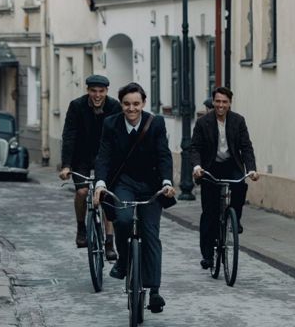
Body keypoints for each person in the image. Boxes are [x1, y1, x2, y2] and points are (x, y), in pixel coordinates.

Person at [93, 82, 176, 314]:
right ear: (121, 104)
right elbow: (104, 156)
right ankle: (123, 260)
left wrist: (167, 182)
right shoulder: (111, 124)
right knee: (123, 220)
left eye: (136, 104)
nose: (132, 109)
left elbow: (163, 155)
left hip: (151, 184)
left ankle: (154, 290)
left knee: (150, 234)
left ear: (143, 103)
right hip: (124, 183)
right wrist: (100, 184)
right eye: (127, 104)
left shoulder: (156, 123)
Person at [190, 86, 259, 270]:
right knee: (209, 213)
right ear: (213, 102)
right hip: (210, 167)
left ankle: (234, 218)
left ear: (230, 103)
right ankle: (207, 255)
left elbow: (246, 147)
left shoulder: (238, 121)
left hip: (231, 164)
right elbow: (195, 147)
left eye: (224, 102)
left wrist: (252, 169)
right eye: (218, 101)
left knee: (240, 185)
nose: (221, 105)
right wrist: (197, 167)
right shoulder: (203, 122)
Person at [59, 74, 120, 260]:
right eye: (93, 91)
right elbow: (69, 135)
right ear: (88, 91)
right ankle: (81, 228)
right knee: (82, 192)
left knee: (107, 196)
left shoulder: (114, 106)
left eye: (101, 91)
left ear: (106, 91)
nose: (97, 95)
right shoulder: (76, 106)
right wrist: (66, 165)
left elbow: (119, 136)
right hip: (81, 157)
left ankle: (109, 242)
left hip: (106, 156)